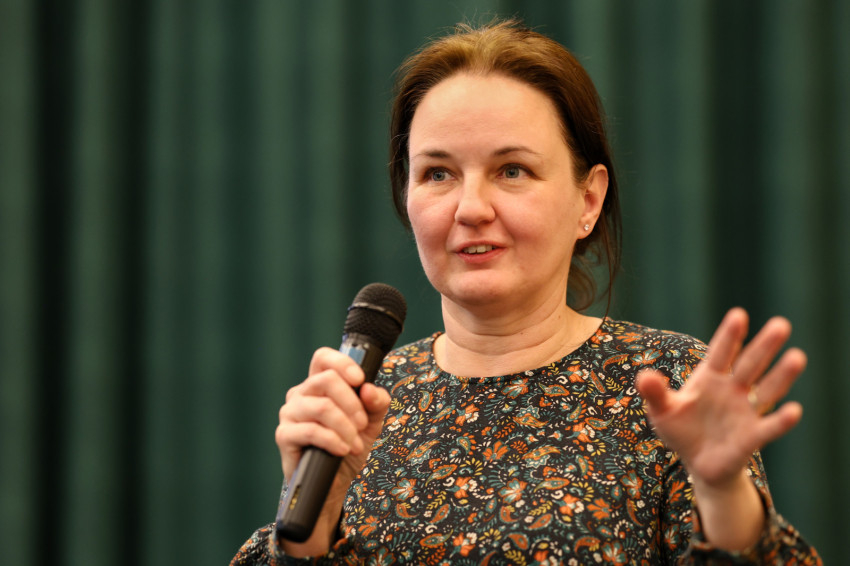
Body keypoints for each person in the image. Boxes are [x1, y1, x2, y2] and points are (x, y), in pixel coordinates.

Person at [232, 20, 821, 565]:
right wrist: (310, 527)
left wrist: (722, 493)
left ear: (588, 199)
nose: (470, 208)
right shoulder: (360, 408)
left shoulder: (669, 385)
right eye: (437, 173)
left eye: (512, 170)